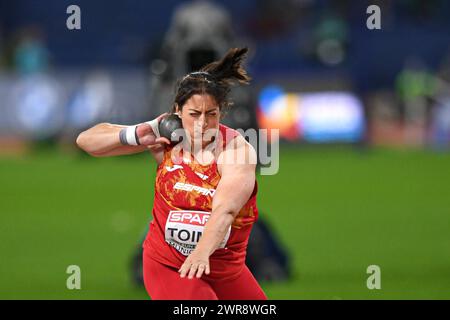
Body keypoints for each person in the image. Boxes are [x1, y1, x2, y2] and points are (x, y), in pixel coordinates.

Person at [76, 47, 267, 300]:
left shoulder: (236, 151)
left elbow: (226, 211)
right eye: (194, 114)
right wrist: (137, 132)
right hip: (167, 264)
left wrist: (201, 251)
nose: (202, 123)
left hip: (224, 268)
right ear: (178, 110)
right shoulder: (165, 140)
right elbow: (87, 142)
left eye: (211, 114)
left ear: (221, 111)